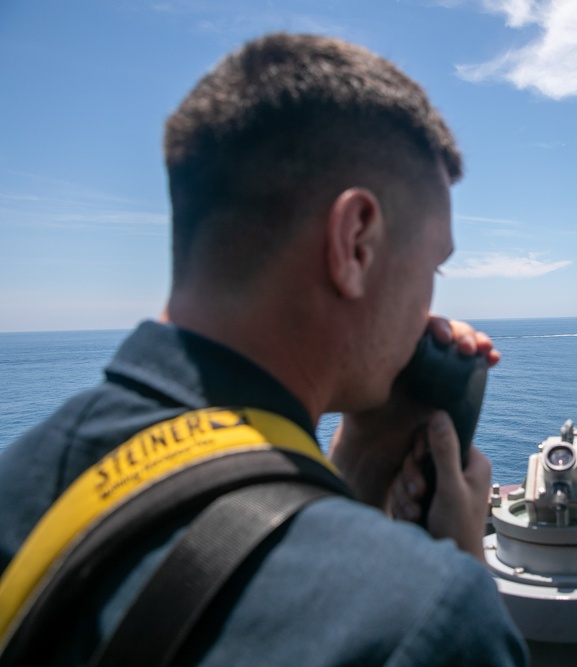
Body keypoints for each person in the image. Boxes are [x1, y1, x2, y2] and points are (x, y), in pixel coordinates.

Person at [0, 33, 528, 665]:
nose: (429, 308)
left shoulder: (24, 479)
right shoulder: (421, 615)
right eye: (432, 269)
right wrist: (459, 573)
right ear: (356, 243)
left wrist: (353, 477)